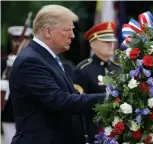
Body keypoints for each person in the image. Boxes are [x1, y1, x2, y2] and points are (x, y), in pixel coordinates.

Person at [9, 5, 105, 144]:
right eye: (68, 30)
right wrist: (107, 97)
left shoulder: (46, 57)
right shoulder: (31, 61)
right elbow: (60, 100)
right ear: (48, 31)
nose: (72, 35)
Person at [73, 21, 120, 143]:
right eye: (105, 41)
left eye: (111, 41)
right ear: (93, 44)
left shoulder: (118, 68)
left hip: (119, 131)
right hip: (95, 132)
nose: (110, 44)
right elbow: (78, 104)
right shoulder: (83, 70)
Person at [1, 25, 32, 144]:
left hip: (27, 109)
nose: (18, 43)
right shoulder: (4, 62)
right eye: (16, 40)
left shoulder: (33, 60)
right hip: (9, 110)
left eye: (22, 39)